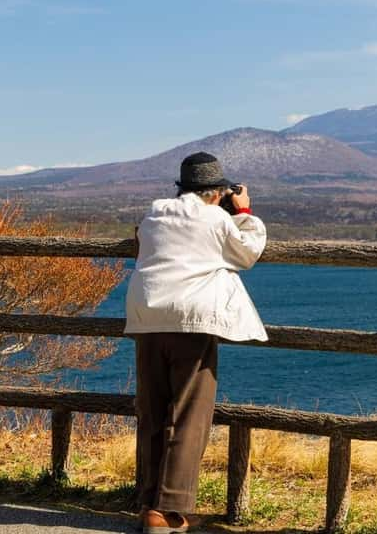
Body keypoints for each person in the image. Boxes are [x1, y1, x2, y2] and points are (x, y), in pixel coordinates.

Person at [125, 152, 268, 534]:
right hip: (191, 321)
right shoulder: (217, 218)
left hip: (148, 317)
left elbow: (141, 240)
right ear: (217, 192)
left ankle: (147, 502)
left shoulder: (154, 214)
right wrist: (243, 210)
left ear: (181, 188)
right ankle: (170, 510)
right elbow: (247, 252)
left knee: (153, 411)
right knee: (189, 416)